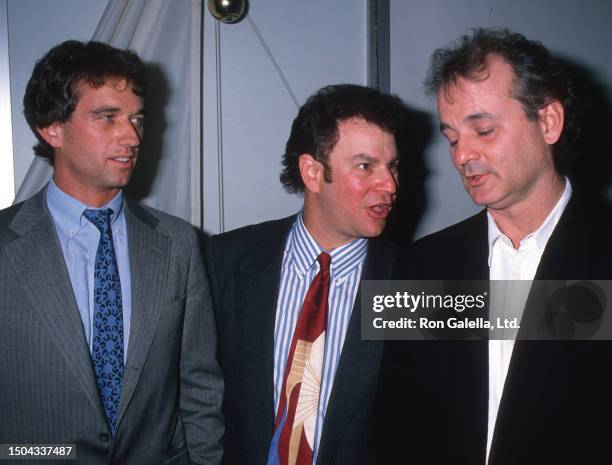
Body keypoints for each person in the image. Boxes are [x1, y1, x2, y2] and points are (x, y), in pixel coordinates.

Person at [378, 28, 612, 464]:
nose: (462, 155)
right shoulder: (420, 265)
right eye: (451, 138)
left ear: (548, 122)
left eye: (482, 130)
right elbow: (393, 425)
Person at [0, 40, 223, 465]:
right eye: (107, 117)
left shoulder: (178, 243)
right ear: (52, 128)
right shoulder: (5, 246)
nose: (133, 135)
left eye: (136, 118)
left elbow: (200, 386)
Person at [206, 84, 408, 465]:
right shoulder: (226, 261)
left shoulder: (407, 280)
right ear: (312, 172)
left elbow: (545, 317)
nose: (390, 186)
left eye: (393, 166)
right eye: (366, 166)